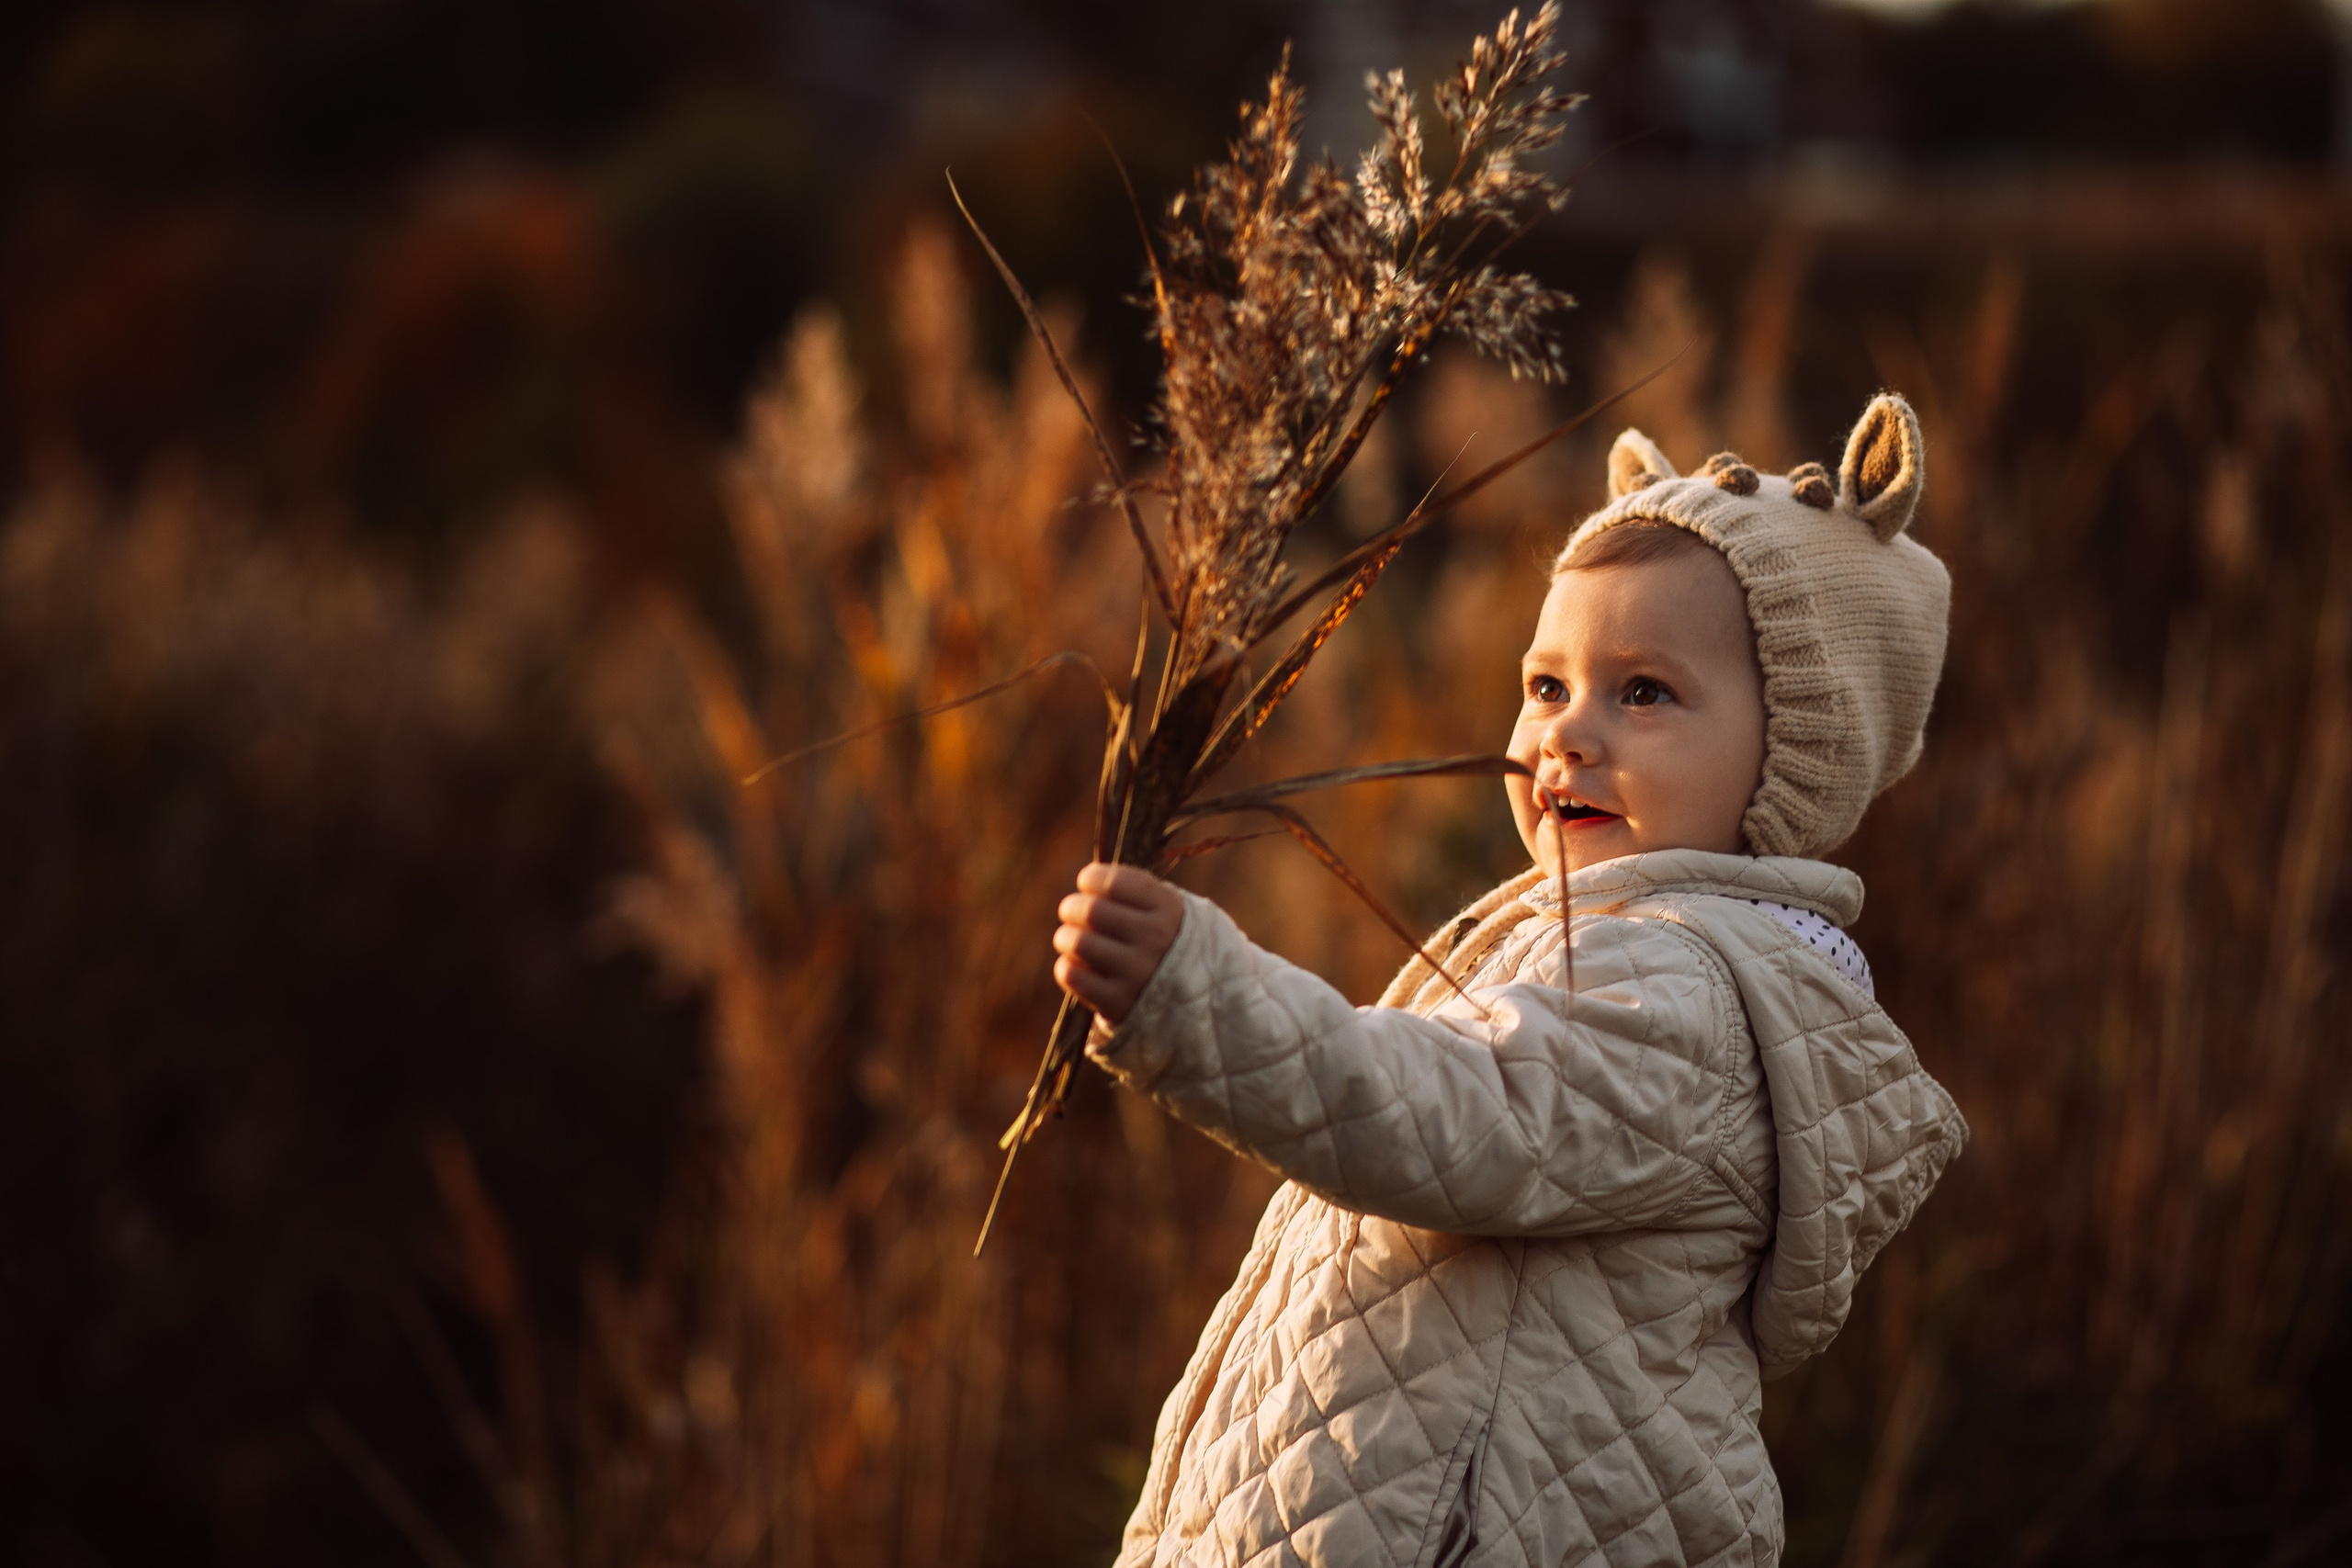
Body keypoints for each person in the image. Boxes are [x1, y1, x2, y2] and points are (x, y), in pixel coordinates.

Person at [1052, 393, 1969, 1568]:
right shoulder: (1584, 937)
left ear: (1793, 752)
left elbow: (1450, 1111)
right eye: (1546, 686)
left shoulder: (1693, 1000)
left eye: (1644, 692)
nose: (1565, 737)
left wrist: (1198, 993)